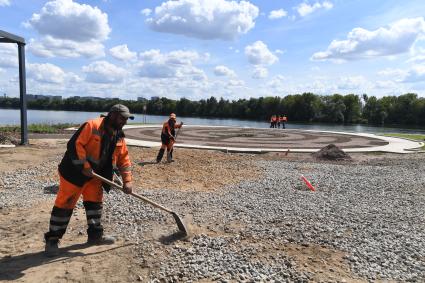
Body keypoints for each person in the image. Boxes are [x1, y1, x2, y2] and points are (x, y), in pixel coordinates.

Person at [44, 104, 134, 257]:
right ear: (112, 115)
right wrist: (84, 165)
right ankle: (53, 239)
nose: (124, 121)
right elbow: (75, 145)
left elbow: (124, 160)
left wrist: (127, 181)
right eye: (122, 118)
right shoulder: (92, 125)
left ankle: (95, 236)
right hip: (74, 173)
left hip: (95, 176)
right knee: (65, 204)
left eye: (126, 119)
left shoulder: (119, 135)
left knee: (95, 205)